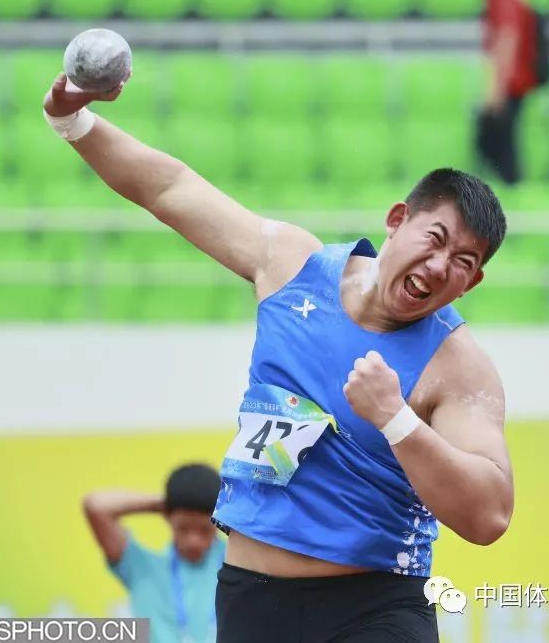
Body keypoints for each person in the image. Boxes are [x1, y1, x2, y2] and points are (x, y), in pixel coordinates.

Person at [47, 68, 514, 642]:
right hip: (250, 603)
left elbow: (490, 515)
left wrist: (397, 419)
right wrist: (72, 119)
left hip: (372, 609)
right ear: (397, 220)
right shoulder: (291, 266)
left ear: (472, 282)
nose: (442, 266)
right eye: (436, 239)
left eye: (464, 262)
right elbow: (169, 189)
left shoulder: (458, 366)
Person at [83, 463, 225, 643]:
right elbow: (96, 506)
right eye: (183, 528)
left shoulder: (238, 566)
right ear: (167, 517)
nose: (193, 541)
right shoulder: (142, 567)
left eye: (205, 530)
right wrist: (168, 502)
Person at [474, 0, 548, 185]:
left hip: (511, 86)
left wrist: (496, 91)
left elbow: (507, 42)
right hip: (515, 85)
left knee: (502, 153)